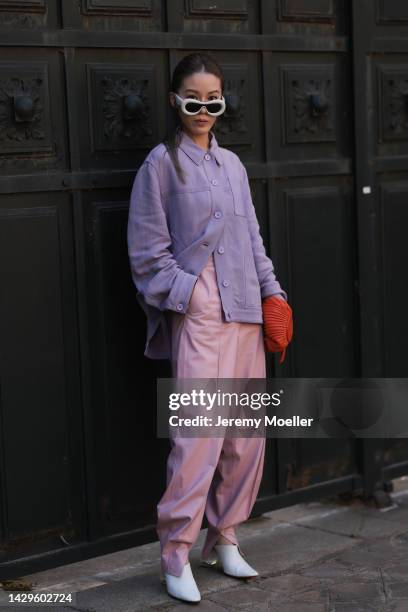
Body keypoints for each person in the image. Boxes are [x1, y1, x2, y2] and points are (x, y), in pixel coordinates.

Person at [127, 52, 293, 604]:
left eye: (212, 100)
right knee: (197, 439)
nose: (203, 109)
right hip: (200, 320)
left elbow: (252, 239)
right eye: (193, 100)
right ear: (176, 102)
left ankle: (223, 537)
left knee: (244, 439)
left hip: (246, 314)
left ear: (222, 103)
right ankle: (175, 549)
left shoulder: (234, 167)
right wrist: (192, 297)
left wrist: (273, 295)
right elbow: (148, 255)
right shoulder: (160, 166)